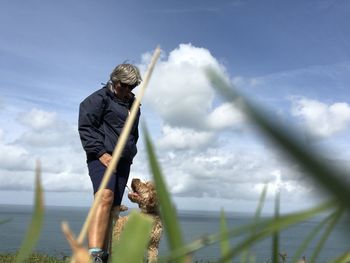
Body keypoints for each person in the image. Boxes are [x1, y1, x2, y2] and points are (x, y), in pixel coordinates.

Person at [78, 63, 142, 263]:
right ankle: (95, 255)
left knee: (113, 207)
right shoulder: (99, 99)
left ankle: (105, 255)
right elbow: (86, 126)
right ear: (115, 80)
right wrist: (100, 153)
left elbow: (131, 133)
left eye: (132, 87)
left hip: (123, 160)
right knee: (104, 197)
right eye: (124, 85)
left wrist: (129, 154)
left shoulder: (133, 104)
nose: (127, 90)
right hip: (102, 156)